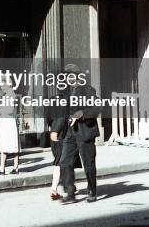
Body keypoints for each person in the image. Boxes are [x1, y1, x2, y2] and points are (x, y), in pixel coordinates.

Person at [58, 63, 101, 203]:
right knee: (64, 161)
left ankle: (92, 190)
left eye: (70, 75)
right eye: (65, 76)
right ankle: (70, 192)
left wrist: (81, 113)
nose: (67, 79)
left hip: (84, 131)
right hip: (70, 133)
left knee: (88, 163)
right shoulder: (65, 92)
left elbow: (96, 109)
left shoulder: (88, 90)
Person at [0, 80, 20, 175]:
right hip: (7, 121)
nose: (1, 87)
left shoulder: (11, 95)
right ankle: (14, 167)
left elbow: (10, 110)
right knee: (12, 144)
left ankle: (2, 169)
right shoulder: (8, 95)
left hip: (7, 121)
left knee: (6, 144)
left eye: (3, 85)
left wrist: (0, 110)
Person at [48, 87, 69, 200]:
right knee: (61, 161)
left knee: (59, 160)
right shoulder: (67, 100)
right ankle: (54, 188)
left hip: (53, 133)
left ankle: (68, 185)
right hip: (62, 133)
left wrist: (53, 129)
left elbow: (49, 118)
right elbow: (62, 118)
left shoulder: (51, 100)